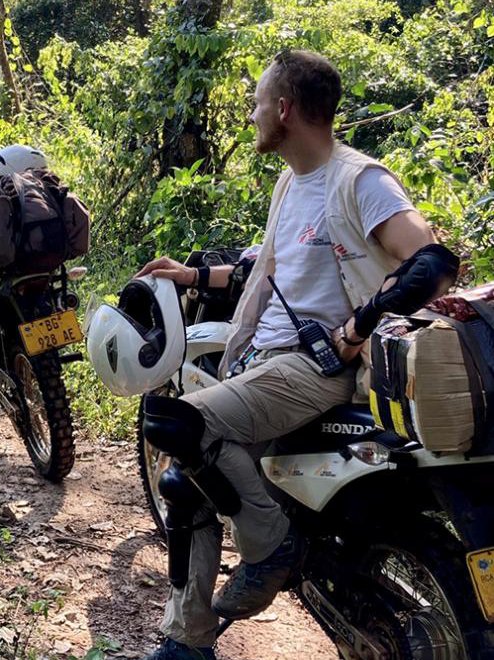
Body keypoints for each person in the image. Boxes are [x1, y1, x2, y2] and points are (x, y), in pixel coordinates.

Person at [136, 50, 458, 660]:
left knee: (174, 422)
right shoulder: (292, 181)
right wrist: (193, 277)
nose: (252, 116)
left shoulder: (358, 179)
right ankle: (188, 641)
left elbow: (433, 262)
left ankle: (270, 544)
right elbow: (271, 267)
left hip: (318, 369)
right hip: (268, 359)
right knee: (185, 484)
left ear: (284, 109)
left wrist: (357, 328)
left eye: (259, 103)